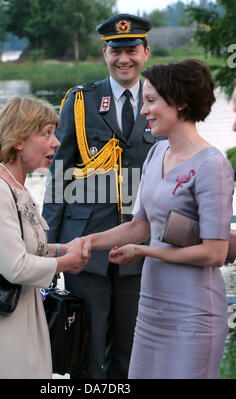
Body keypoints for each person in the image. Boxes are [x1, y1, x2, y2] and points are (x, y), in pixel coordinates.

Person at [82, 59, 234, 379]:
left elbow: (215, 252)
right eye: (143, 101)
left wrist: (144, 251)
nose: (143, 111)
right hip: (151, 309)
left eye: (151, 101)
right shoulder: (155, 153)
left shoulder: (212, 165)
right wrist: (86, 242)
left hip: (193, 313)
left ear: (180, 102)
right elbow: (140, 226)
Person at [42, 14, 164, 379]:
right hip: (85, 247)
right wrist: (50, 245)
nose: (123, 59)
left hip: (141, 245)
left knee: (133, 352)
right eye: (115, 51)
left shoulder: (161, 101)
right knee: (87, 352)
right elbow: (59, 175)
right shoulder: (80, 101)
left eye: (131, 50)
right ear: (104, 53)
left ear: (145, 52)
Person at [0, 95, 89, 379]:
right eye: (46, 133)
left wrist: (61, 250)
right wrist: (66, 263)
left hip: (22, 312)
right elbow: (15, 267)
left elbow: (26, 247)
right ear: (18, 140)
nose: (56, 142)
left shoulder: (16, 186)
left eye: (54, 133)